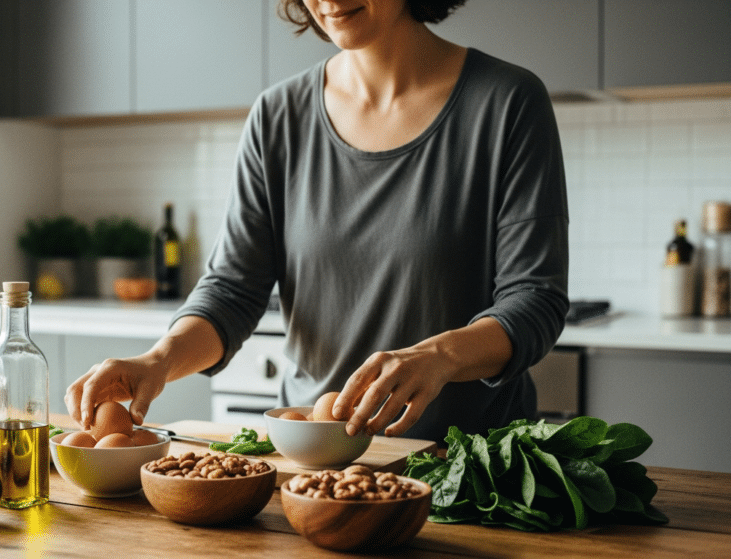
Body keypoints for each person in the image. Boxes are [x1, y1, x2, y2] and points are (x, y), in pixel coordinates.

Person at [66, 0, 568, 445]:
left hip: (468, 468)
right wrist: (159, 360)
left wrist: (440, 356)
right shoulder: (277, 116)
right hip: (314, 460)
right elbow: (232, 292)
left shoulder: (508, 102)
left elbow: (535, 301)